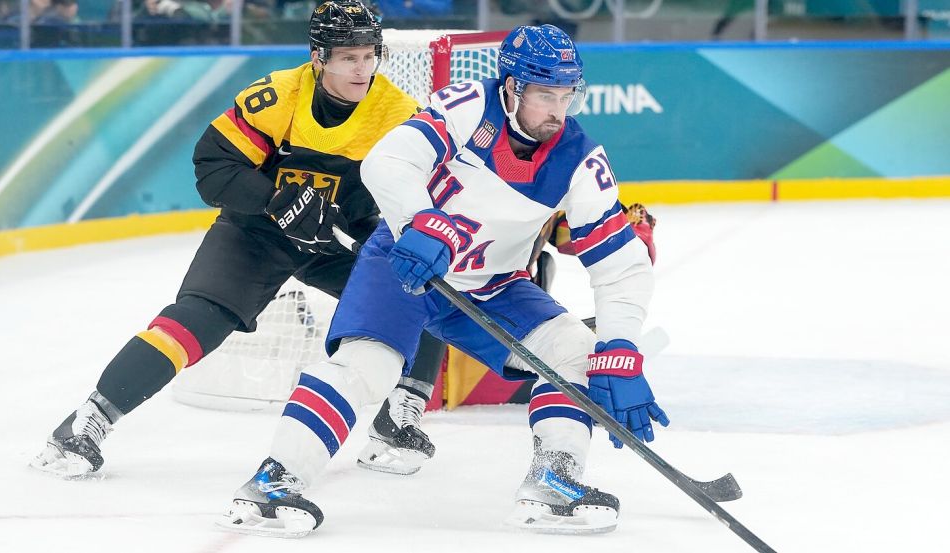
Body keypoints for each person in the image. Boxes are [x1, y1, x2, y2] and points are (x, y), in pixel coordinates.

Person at [220, 23, 667, 538]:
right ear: (512, 86)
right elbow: (388, 159)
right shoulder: (467, 104)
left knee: (579, 354)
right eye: (546, 94)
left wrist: (621, 346)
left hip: (492, 284)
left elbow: (622, 265)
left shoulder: (581, 159)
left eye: (568, 95)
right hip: (407, 263)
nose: (558, 110)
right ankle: (272, 483)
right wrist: (418, 219)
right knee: (367, 366)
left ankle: (553, 484)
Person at [30, 0, 444, 480]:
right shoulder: (278, 96)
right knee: (195, 323)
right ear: (319, 57)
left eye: (371, 54)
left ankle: (399, 414)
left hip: (339, 239)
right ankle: (89, 421)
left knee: (424, 291)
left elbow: (420, 194)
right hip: (258, 233)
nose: (363, 67)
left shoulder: (399, 114)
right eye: (349, 56)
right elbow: (212, 167)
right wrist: (275, 199)